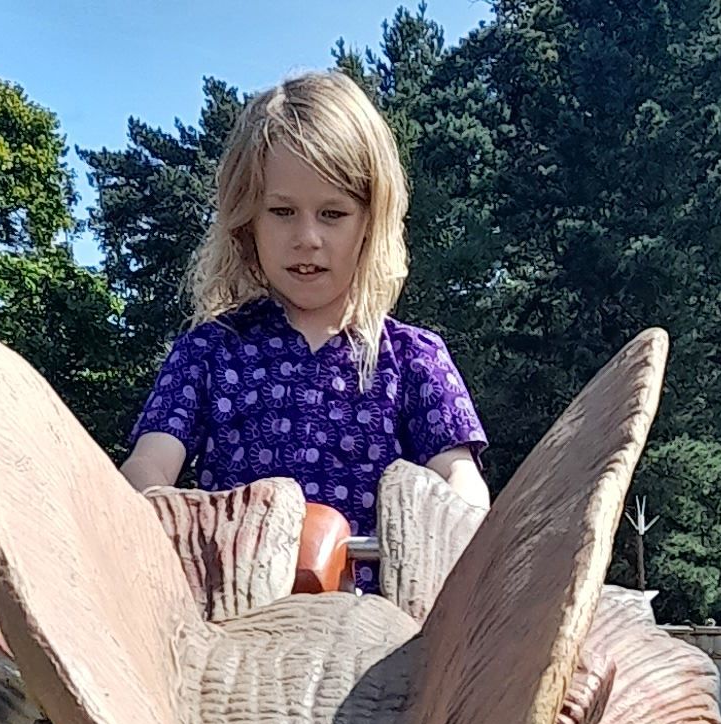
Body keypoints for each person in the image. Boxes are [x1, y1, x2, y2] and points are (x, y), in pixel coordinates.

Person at [120, 71, 489, 585]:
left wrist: (454, 526)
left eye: (333, 213)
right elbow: (147, 468)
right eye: (283, 211)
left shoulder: (412, 358)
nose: (307, 237)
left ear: (371, 221)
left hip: (381, 642)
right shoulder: (210, 351)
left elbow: (459, 479)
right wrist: (172, 524)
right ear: (247, 220)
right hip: (230, 631)